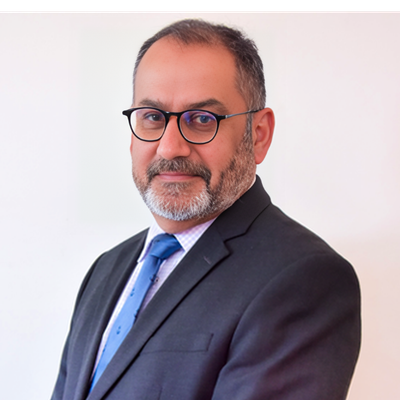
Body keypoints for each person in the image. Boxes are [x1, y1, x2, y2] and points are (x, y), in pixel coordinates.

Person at [51, 19, 361, 400]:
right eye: (153, 117)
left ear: (258, 135)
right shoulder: (106, 270)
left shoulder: (306, 280)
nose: (170, 148)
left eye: (202, 119)